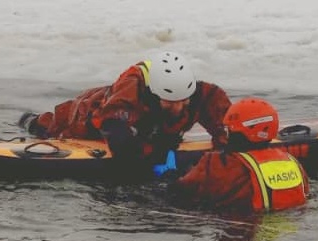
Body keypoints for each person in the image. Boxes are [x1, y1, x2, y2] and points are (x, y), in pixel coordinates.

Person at [19, 51, 230, 162]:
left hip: (146, 126)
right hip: (90, 114)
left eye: (183, 101)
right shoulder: (131, 90)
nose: (178, 108)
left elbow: (228, 124)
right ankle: (31, 122)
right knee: (58, 124)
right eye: (170, 102)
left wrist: (224, 148)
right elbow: (120, 141)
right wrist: (157, 156)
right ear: (154, 93)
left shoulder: (201, 94)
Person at [165, 97, 310, 213]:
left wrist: (171, 175)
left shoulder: (218, 163)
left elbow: (181, 190)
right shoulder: (292, 162)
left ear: (239, 132)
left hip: (241, 230)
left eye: (229, 129)